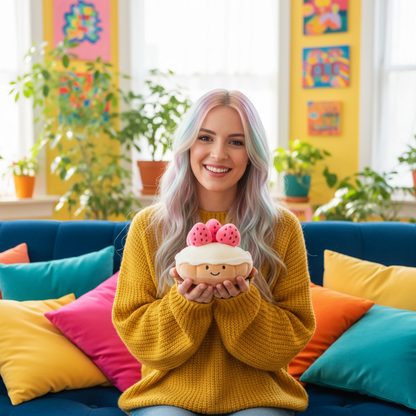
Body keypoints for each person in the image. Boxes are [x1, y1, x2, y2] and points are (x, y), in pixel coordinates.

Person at [112, 89, 316, 416]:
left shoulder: (282, 227)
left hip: (259, 395)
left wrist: (241, 305)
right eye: (205, 137)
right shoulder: (148, 226)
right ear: (188, 145)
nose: (218, 154)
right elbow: (140, 339)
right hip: (168, 395)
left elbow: (290, 340)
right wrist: (185, 304)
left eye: (236, 142)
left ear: (252, 153)